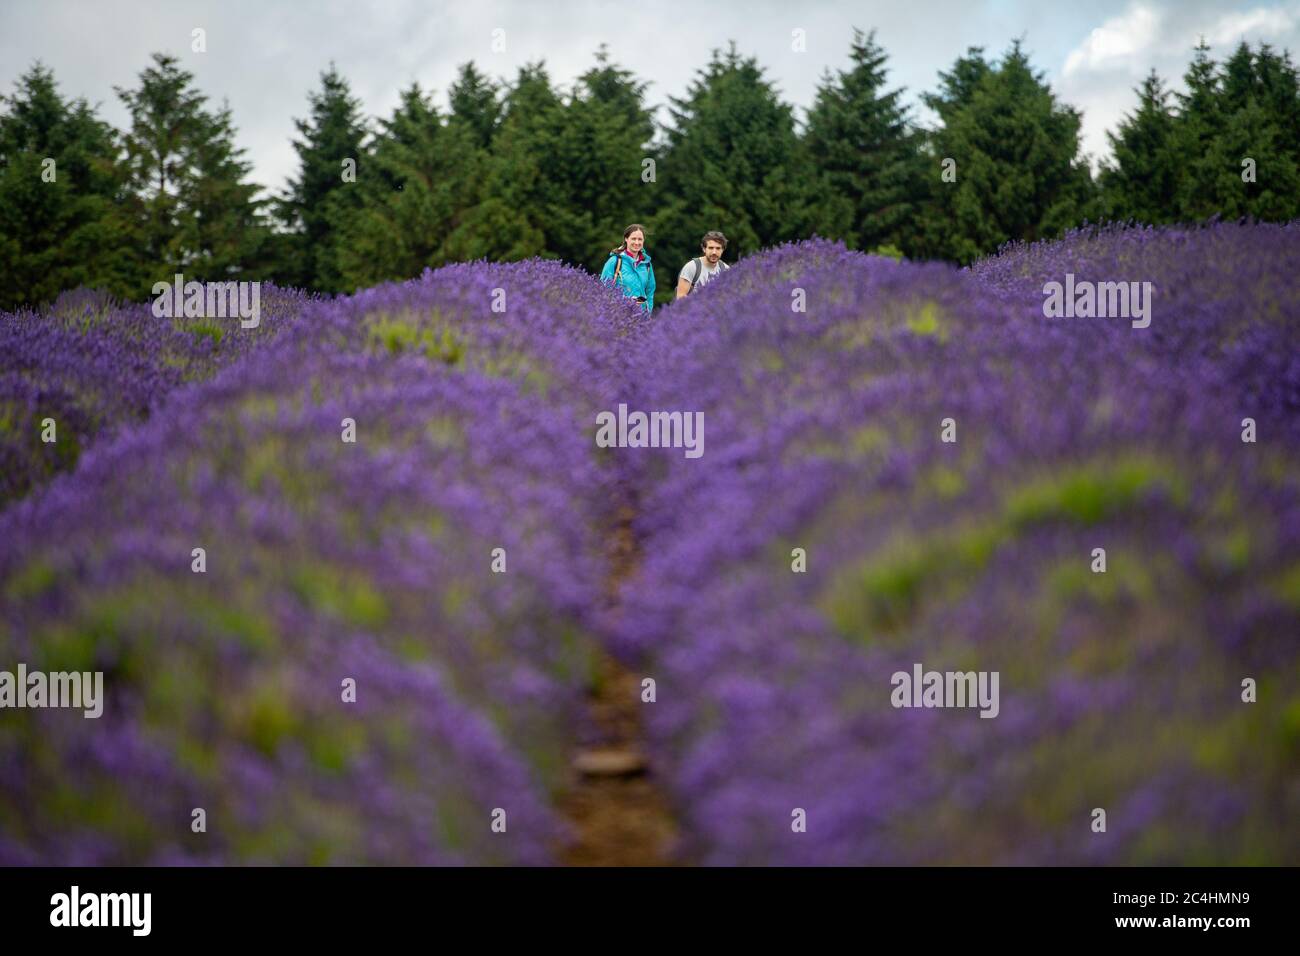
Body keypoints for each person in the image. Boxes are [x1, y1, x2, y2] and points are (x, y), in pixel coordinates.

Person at [601, 224, 656, 313]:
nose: (637, 243)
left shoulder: (647, 264)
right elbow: (604, 289)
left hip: (641, 317)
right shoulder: (614, 261)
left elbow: (650, 291)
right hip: (617, 315)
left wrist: (648, 311)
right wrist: (624, 302)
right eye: (633, 239)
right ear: (626, 239)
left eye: (640, 239)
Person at [675, 231, 729, 299]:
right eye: (711, 248)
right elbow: (680, 297)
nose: (714, 252)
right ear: (704, 249)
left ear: (723, 250)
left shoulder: (726, 270)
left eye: (718, 248)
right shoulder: (691, 267)